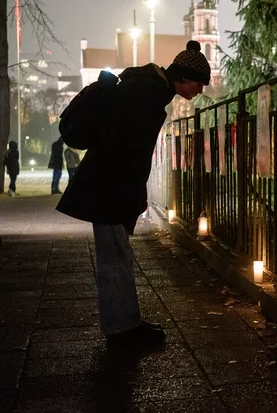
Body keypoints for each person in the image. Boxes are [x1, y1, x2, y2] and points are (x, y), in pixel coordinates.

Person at [57, 40, 210, 347]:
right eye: (199, 83)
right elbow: (128, 151)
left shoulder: (148, 87)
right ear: (184, 77)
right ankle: (121, 329)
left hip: (108, 184)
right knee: (114, 256)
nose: (200, 90)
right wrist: (132, 194)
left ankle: (124, 322)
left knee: (117, 254)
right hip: (109, 186)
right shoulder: (147, 94)